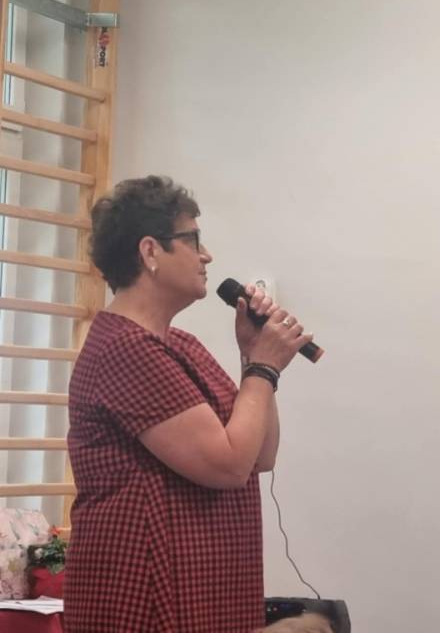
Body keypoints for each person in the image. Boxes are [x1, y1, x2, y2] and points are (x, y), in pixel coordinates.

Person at [64, 176, 317, 633]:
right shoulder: (125, 349)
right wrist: (264, 368)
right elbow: (228, 466)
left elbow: (259, 455)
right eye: (193, 240)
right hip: (145, 596)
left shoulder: (181, 344)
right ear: (150, 251)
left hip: (205, 587)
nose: (207, 256)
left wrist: (253, 358)